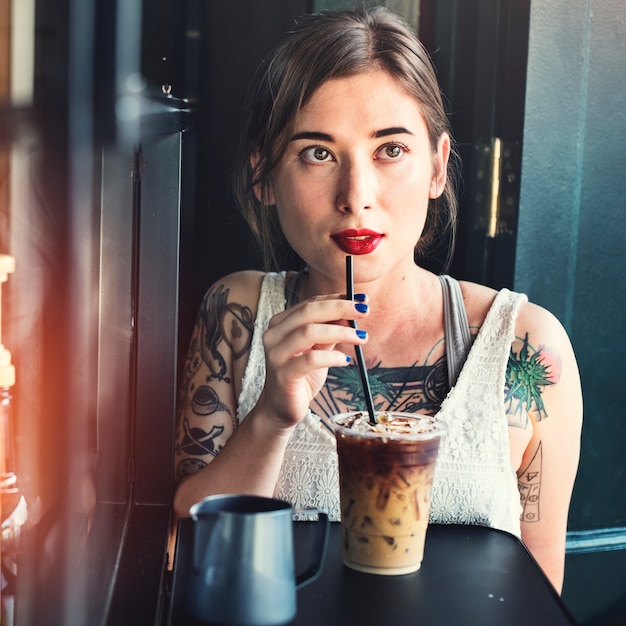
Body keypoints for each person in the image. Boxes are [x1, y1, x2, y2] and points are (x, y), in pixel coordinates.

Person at [173, 6, 582, 593]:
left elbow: (538, 597)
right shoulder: (236, 314)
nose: (355, 196)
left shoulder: (526, 346)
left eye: (390, 150)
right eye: (317, 153)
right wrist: (270, 417)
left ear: (438, 168)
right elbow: (183, 552)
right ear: (263, 175)